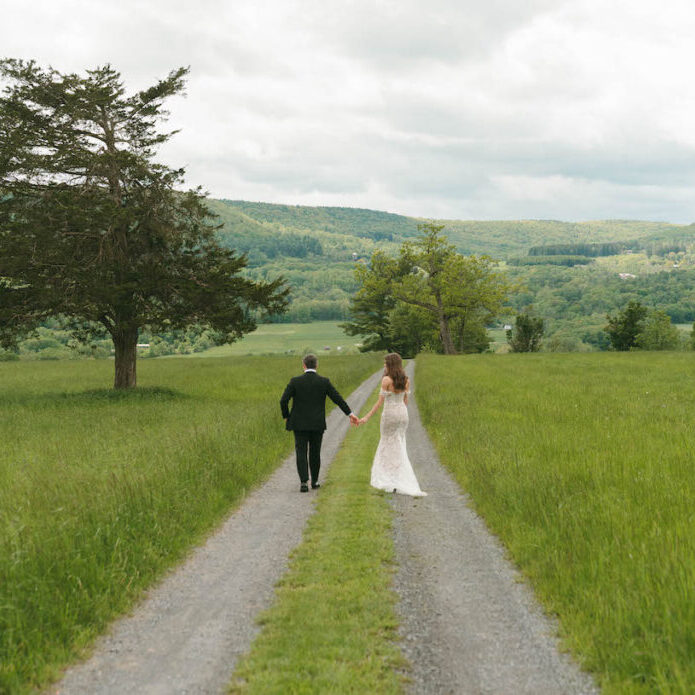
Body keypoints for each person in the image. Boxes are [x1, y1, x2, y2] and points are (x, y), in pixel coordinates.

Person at [281, 354, 359, 492]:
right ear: (316, 365)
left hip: (299, 424)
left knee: (301, 451)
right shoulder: (324, 382)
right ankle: (315, 481)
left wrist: (286, 416)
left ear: (303, 365)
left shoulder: (295, 381)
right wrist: (350, 414)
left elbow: (283, 400)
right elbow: (337, 399)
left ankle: (304, 482)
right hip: (317, 424)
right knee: (315, 452)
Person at [359, 352, 427, 497]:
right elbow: (405, 401)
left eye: (385, 363)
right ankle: (397, 474)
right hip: (403, 414)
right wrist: (401, 412)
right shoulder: (406, 380)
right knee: (399, 443)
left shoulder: (386, 380)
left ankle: (391, 476)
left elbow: (379, 403)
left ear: (390, 364)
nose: (384, 365)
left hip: (390, 414)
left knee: (387, 442)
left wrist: (366, 417)